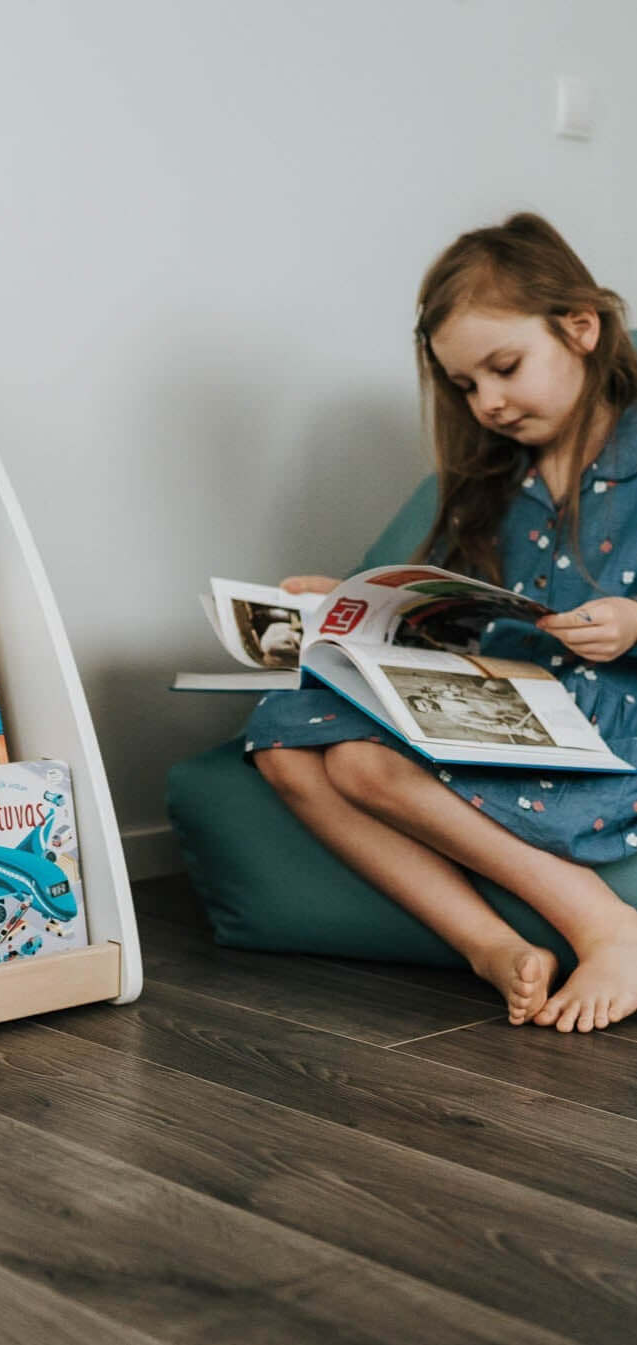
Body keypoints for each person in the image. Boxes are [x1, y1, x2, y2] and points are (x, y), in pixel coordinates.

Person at [248, 212, 637, 1034]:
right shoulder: (495, 477)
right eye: (466, 386)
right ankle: (489, 945)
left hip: (610, 719)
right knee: (284, 739)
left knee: (358, 765)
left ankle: (609, 925)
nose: (487, 402)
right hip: (517, 700)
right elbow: (466, 615)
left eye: (504, 368)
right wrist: (354, 605)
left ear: (580, 329)